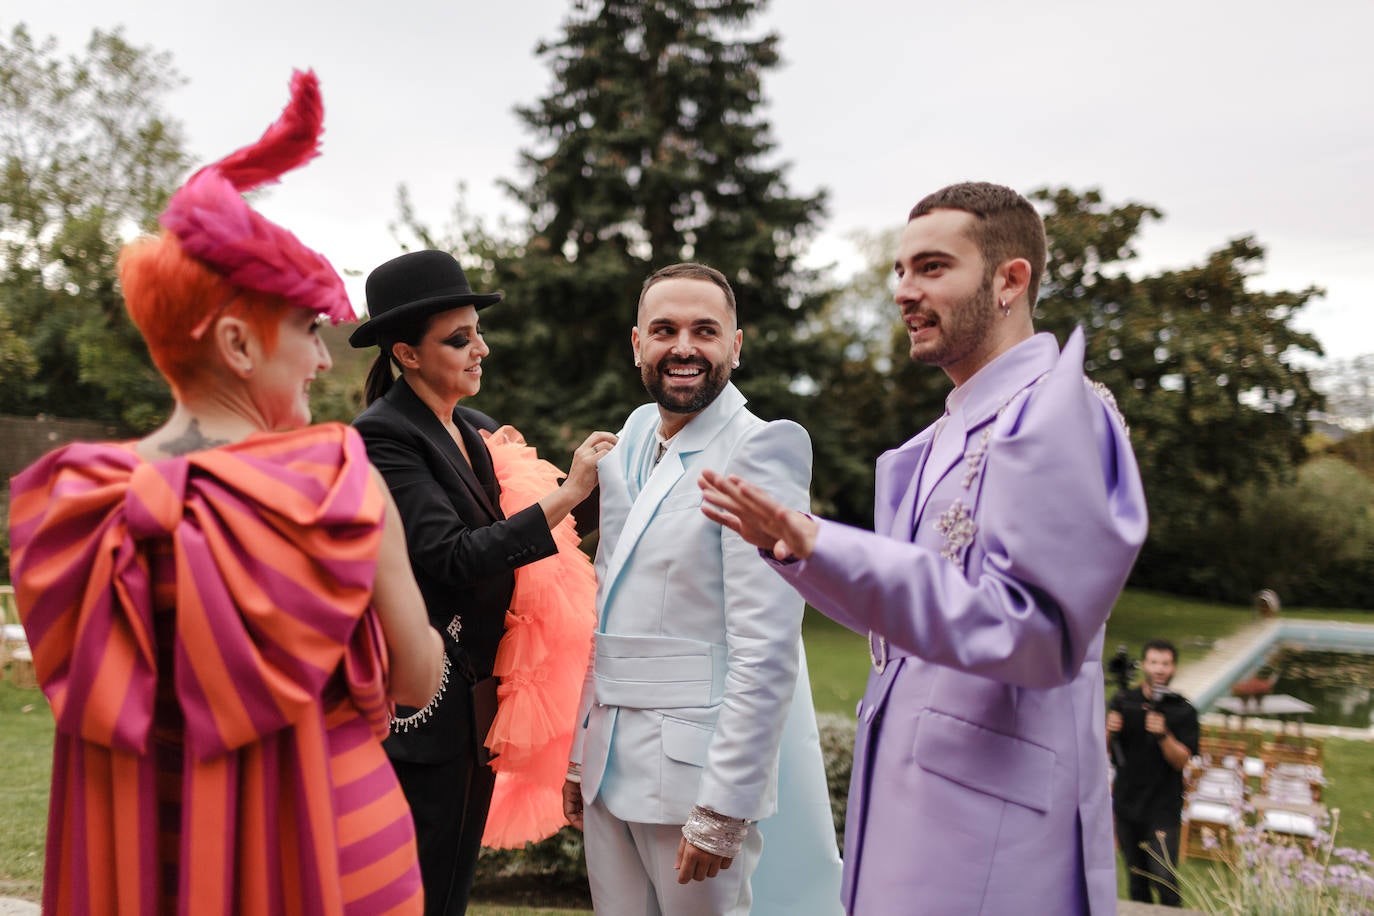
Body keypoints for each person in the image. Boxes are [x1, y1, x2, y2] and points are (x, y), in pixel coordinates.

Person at [8, 70, 443, 915]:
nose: (323, 361)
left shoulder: (74, 500)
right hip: (327, 848)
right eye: (309, 331)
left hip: (151, 855)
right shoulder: (335, 477)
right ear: (240, 344)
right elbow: (417, 680)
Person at [699, 182, 1149, 915]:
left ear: (1010, 279)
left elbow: (1032, 630)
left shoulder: (1062, 414)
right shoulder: (933, 441)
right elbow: (903, 625)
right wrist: (799, 553)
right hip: (906, 808)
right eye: (901, 271)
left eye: (933, 268)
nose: (905, 291)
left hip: (991, 829)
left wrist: (829, 544)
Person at [562, 263, 843, 916]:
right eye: (664, 329)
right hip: (609, 763)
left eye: (704, 330)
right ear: (637, 344)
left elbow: (766, 646)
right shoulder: (631, 436)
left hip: (695, 782)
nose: (682, 347)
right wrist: (579, 752)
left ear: (734, 346)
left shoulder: (761, 451)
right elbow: (603, 601)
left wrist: (726, 805)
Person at [349, 249, 614, 915]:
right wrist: (569, 492)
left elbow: (538, 526)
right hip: (420, 712)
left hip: (474, 709)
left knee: (448, 893)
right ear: (406, 354)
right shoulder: (384, 438)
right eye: (459, 339)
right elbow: (454, 555)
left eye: (478, 332)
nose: (481, 350)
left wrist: (625, 479)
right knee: (412, 896)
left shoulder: (471, 428)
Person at [1107, 639, 1199, 907]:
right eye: (1154, 662)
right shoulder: (1124, 701)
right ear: (1144, 664)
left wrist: (1163, 735)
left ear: (1173, 668)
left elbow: (1181, 761)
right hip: (1127, 806)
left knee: (1163, 877)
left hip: (1163, 808)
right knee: (1137, 881)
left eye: (1165, 663)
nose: (1159, 669)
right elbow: (1105, 750)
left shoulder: (1183, 710)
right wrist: (1110, 730)